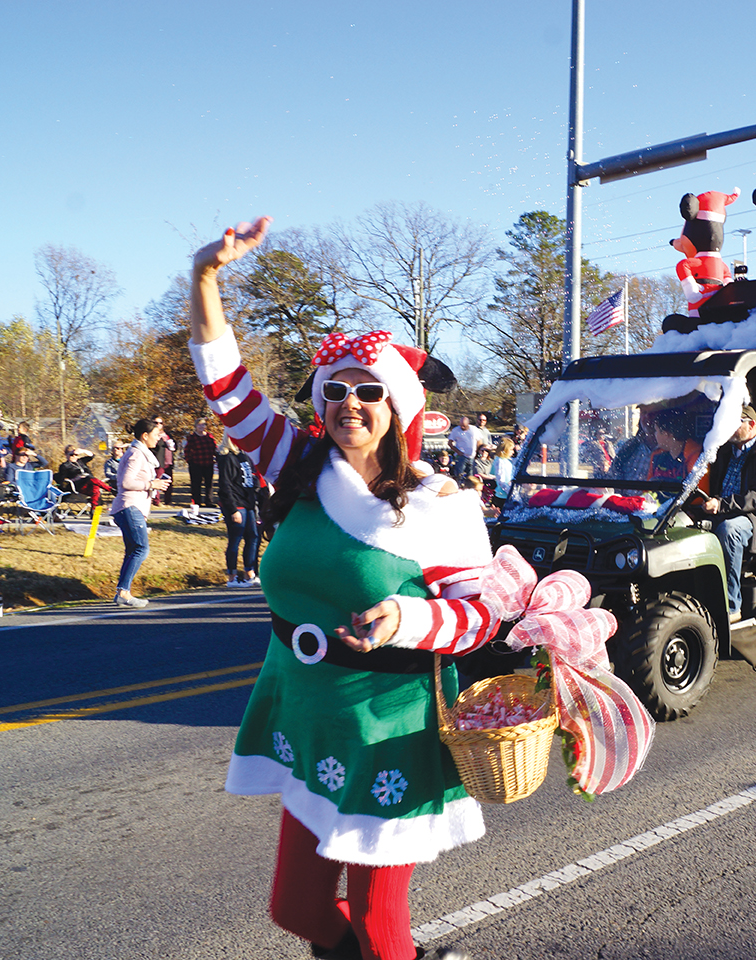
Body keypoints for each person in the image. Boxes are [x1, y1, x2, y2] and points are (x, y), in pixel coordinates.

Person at [188, 217, 506, 960]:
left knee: (376, 915)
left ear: (399, 407)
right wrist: (206, 278)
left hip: (392, 723)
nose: (349, 404)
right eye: (335, 392)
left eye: (369, 391)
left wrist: (406, 618)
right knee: (296, 907)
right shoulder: (298, 464)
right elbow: (227, 388)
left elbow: (480, 618)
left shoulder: (441, 503)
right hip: (305, 710)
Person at [699, 404, 756, 622]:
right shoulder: (724, 453)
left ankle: (731, 607)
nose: (727, 427)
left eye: (734, 422)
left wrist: (722, 505)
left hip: (754, 520)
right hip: (719, 512)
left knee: (730, 531)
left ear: (751, 425)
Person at [110, 419, 172, 608]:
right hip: (130, 506)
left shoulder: (139, 453)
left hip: (130, 507)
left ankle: (123, 592)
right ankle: (123, 592)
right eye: (155, 435)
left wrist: (155, 483)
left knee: (132, 551)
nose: (158, 438)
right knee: (141, 549)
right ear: (145, 436)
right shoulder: (137, 454)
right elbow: (125, 483)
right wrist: (151, 484)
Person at [217, 438, 261, 587]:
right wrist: (232, 509)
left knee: (253, 536)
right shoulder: (227, 457)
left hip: (248, 503)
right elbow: (225, 485)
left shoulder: (245, 456)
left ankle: (250, 573)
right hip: (236, 504)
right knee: (235, 538)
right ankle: (232, 576)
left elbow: (253, 477)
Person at [184, 418, 219, 508]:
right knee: (196, 484)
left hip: (208, 463)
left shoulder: (209, 436)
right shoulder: (192, 438)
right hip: (196, 463)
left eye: (203, 424)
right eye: (199, 425)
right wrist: (190, 461)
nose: (201, 426)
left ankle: (209, 501)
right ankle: (197, 502)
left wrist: (218, 457)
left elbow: (214, 448)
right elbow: (187, 451)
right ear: (195, 426)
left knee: (209, 484)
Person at [447, 415, 487, 481]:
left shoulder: (474, 430)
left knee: (470, 476)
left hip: (472, 456)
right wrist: (458, 451)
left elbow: (479, 441)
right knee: (460, 475)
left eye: (464, 426)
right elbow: (450, 443)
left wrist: (478, 452)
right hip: (461, 456)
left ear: (468, 423)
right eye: (461, 425)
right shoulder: (456, 430)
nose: (462, 427)